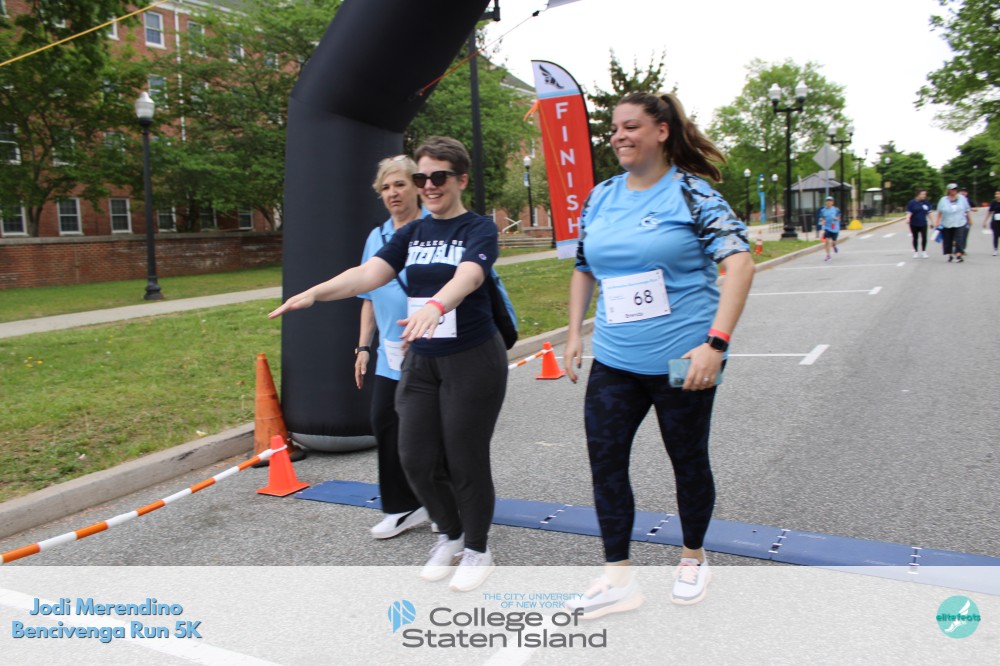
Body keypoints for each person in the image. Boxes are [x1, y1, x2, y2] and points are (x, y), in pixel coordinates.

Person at [270, 137, 507, 593]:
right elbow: (368, 274)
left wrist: (435, 305)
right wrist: (314, 293)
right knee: (414, 456)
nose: (429, 185)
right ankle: (451, 534)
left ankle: (478, 549)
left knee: (465, 458)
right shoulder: (412, 233)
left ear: (460, 180)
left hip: (472, 359)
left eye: (439, 177)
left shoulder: (477, 229)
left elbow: (469, 275)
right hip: (422, 359)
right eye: (422, 177)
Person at [563, 92, 753, 614]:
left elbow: (739, 264)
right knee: (605, 463)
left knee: (687, 461)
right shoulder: (601, 197)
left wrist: (716, 343)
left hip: (682, 360)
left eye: (631, 126)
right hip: (616, 359)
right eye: (614, 129)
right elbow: (583, 267)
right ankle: (618, 578)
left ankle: (693, 557)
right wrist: (575, 333)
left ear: (662, 131)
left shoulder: (692, 194)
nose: (618, 136)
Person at [355, 155, 429, 539]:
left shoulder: (434, 228)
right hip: (389, 355)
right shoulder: (377, 237)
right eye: (385, 187)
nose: (392, 193)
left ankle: (442, 502)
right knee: (385, 423)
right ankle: (401, 507)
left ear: (417, 185)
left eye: (399, 184)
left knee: (434, 431)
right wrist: (363, 348)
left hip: (432, 351)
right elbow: (368, 296)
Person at [934, 183, 973, 262]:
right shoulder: (943, 200)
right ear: (948, 190)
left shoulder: (962, 198)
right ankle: (950, 254)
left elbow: (967, 209)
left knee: (959, 238)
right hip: (947, 222)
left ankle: (958, 254)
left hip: (960, 222)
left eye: (955, 189)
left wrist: (970, 219)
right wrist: (937, 221)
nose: (953, 191)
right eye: (952, 189)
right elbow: (940, 212)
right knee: (948, 239)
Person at [905, 189, 932, 258]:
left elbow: (928, 213)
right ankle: (916, 251)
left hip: (923, 222)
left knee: (924, 237)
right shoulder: (912, 203)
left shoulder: (926, 203)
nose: (924, 196)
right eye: (922, 194)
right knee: (915, 237)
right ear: (918, 195)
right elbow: (909, 212)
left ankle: (924, 251)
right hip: (914, 223)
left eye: (925, 194)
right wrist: (908, 218)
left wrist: (932, 222)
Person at [817, 195, 841, 261]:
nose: (829, 202)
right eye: (827, 201)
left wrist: (835, 218)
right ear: (825, 202)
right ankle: (828, 255)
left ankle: (834, 246)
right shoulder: (823, 210)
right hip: (827, 227)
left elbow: (839, 218)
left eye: (830, 201)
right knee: (827, 241)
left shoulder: (836, 210)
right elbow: (822, 218)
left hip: (835, 228)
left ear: (832, 202)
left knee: (834, 242)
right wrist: (822, 222)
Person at [987, 190, 1000, 257]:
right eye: (996, 194)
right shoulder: (993, 203)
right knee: (995, 235)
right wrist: (985, 221)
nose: (997, 195)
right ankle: (995, 249)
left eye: (998, 194)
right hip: (995, 221)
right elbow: (990, 211)